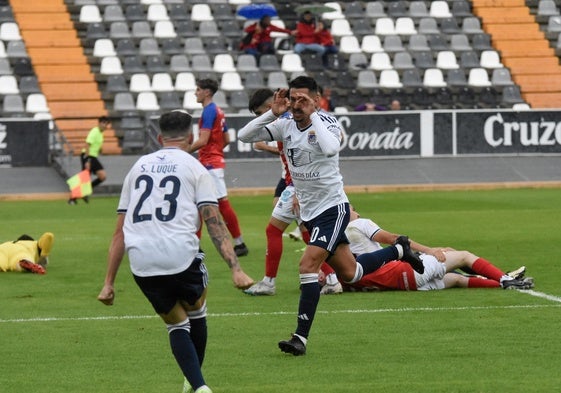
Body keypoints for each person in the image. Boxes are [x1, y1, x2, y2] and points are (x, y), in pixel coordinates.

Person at [238, 75, 424, 355]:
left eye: (304, 99)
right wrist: (271, 114)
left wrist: (312, 115)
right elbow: (244, 136)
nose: (297, 104)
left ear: (316, 100)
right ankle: (399, 249)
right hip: (310, 213)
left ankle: (300, 338)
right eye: (293, 98)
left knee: (307, 265)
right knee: (351, 273)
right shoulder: (285, 123)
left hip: (332, 208)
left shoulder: (327, 123)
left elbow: (329, 148)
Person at [97, 110, 254, 393]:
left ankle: (197, 386)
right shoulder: (195, 169)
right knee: (197, 312)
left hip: (141, 260)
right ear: (192, 137)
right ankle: (196, 384)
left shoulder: (138, 168)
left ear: (159, 138)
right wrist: (236, 268)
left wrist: (108, 283)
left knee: (175, 324)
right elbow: (213, 221)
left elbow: (119, 231)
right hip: (181, 255)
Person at [325, 207, 534, 291]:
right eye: (353, 208)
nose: (357, 211)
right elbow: (397, 240)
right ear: (347, 211)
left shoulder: (339, 242)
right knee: (463, 256)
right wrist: (429, 250)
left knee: (456, 279)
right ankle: (505, 279)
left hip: (401, 285)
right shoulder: (359, 224)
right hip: (406, 271)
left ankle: (503, 282)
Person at [187, 79, 249, 257]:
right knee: (208, 204)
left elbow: (203, 140)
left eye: (198, 90)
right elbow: (227, 139)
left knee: (213, 204)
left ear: (207, 92)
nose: (195, 93)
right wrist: (216, 152)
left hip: (209, 164)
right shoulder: (219, 111)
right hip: (213, 162)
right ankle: (238, 243)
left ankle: (237, 244)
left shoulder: (208, 112)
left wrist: (182, 151)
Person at [69, 116, 111, 205]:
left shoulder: (101, 133)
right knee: (84, 178)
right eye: (103, 123)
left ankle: (85, 192)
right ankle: (72, 198)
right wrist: (87, 160)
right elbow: (87, 145)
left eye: (106, 123)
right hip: (88, 156)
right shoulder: (95, 131)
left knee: (102, 176)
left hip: (93, 157)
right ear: (99, 123)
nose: (105, 125)